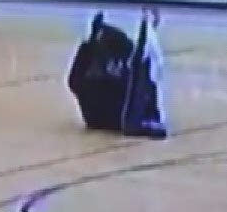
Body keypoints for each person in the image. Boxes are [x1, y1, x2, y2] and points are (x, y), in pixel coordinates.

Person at [67, 9, 168, 138]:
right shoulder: (118, 66)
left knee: (139, 71)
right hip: (121, 118)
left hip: (95, 118)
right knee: (141, 72)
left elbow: (73, 81)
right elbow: (139, 75)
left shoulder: (94, 66)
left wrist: (90, 42)